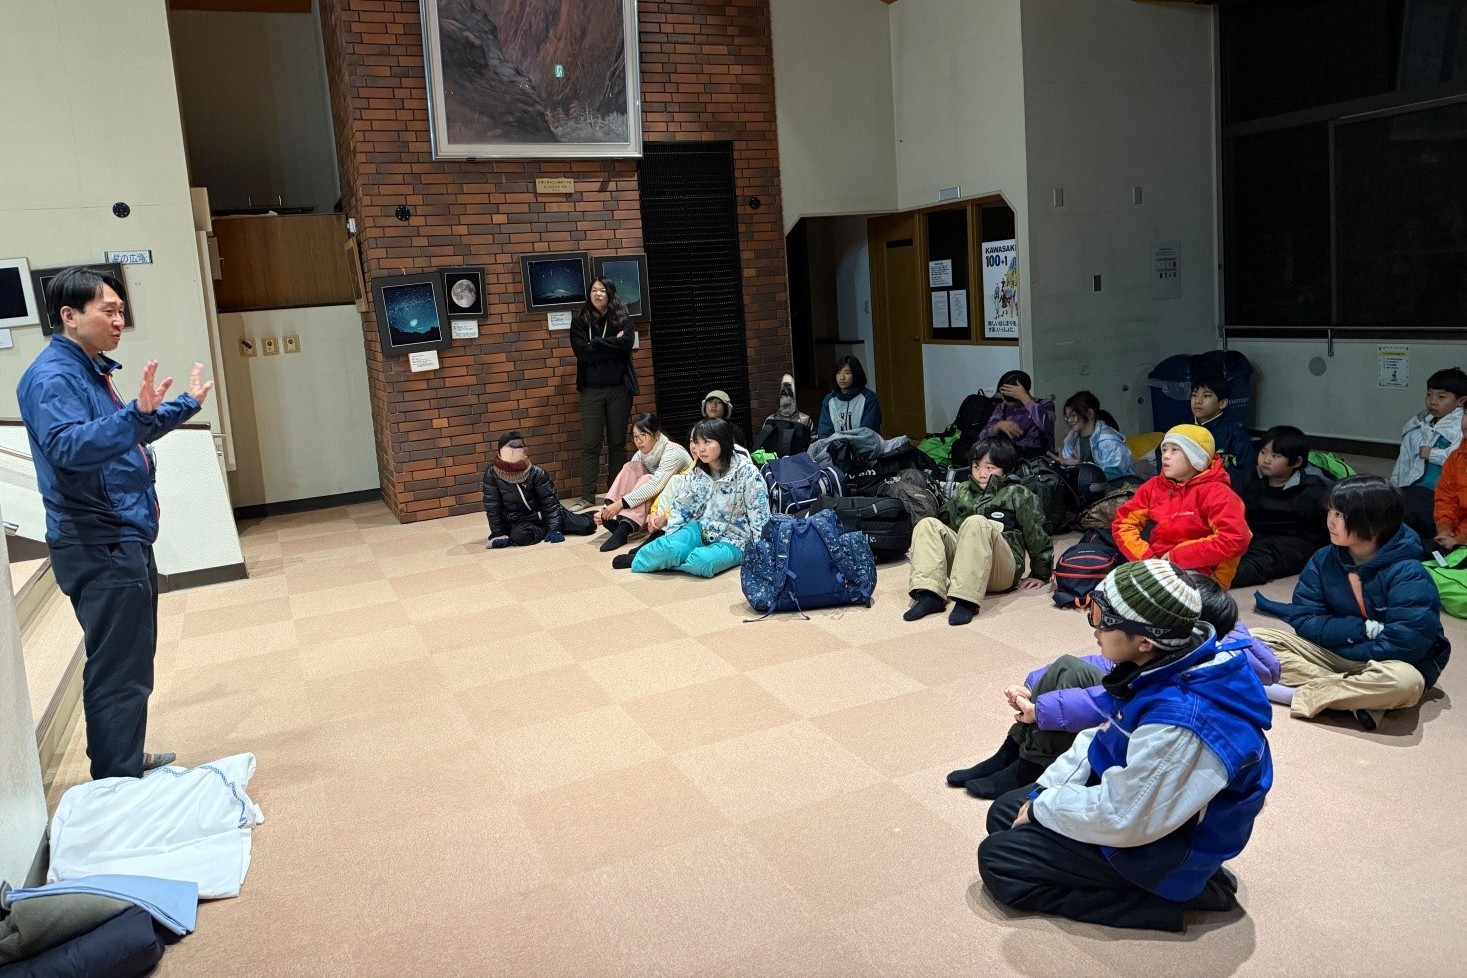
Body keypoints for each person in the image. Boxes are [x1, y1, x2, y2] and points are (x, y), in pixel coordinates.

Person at [977, 560, 1273, 932]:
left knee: (999, 861)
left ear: (1145, 639)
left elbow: (1125, 817)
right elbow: (1099, 738)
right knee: (1005, 814)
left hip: (1168, 846)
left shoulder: (1181, 722)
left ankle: (1170, 899)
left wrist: (1044, 808)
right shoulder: (1159, 661)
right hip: (1143, 804)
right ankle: (1148, 881)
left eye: (1103, 620)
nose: (1095, 629)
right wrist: (1044, 794)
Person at [17, 266, 214, 780]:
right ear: (69, 315)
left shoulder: (87, 369)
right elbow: (68, 447)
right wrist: (135, 416)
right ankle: (116, 778)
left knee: (130, 660)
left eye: (121, 311)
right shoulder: (52, 377)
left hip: (121, 533)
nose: (119, 320)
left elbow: (122, 432)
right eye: (108, 311)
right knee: (119, 666)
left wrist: (182, 407)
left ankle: (122, 759)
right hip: (99, 540)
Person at [948, 570, 1279, 799]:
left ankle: (1030, 764)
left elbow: (1105, 697)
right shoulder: (1164, 651)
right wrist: (1034, 686)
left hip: (1144, 757)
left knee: (1071, 680)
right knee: (1066, 665)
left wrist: (1042, 708)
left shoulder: (1201, 666)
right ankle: (1012, 752)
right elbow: (1106, 666)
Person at [1253, 475, 1450, 731]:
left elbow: (1405, 644)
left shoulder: (1409, 573)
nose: (1330, 521)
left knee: (1405, 684)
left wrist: (1349, 651)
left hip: (1386, 662)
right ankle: (1356, 696)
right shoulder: (1323, 559)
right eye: (1330, 511)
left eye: (1340, 514)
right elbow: (1304, 618)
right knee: (1252, 640)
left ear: (1373, 522)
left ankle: (1295, 694)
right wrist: (1360, 630)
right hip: (1332, 652)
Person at [904, 436, 1052, 626]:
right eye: (976, 467)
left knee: (976, 522)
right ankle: (930, 595)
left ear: (1005, 468)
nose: (982, 474)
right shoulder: (963, 491)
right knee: (927, 524)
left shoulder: (1018, 493)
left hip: (1001, 571)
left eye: (990, 468)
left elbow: (1036, 533)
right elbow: (946, 527)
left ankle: (966, 602)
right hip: (966, 567)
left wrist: (1041, 574)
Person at [1113, 424, 1251, 587]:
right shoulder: (1153, 487)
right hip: (1158, 565)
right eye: (1164, 449)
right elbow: (1123, 524)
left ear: (1197, 458)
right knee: (1113, 587)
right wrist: (1147, 558)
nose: (1166, 456)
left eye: (1175, 450)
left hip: (1204, 575)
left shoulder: (1219, 493)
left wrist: (1178, 557)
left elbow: (1236, 538)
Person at [631, 418, 770, 578]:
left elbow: (760, 517)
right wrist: (673, 538)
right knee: (667, 550)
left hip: (734, 539)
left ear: (723, 441)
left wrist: (759, 553)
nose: (700, 449)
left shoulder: (748, 473)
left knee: (702, 562)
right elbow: (681, 507)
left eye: (707, 442)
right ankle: (674, 557)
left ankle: (677, 561)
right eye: (697, 442)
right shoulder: (696, 472)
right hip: (699, 528)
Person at [1231, 425, 1333, 587]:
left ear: (1296, 462)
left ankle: (1212, 581)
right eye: (1263, 452)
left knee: (1256, 562)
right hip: (1256, 533)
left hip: (1296, 540)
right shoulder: (1249, 477)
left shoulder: (1314, 488)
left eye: (1275, 456)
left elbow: (1329, 526)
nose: (1266, 460)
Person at [569, 277, 636, 510]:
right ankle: (587, 496)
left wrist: (596, 344)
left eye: (602, 290)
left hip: (619, 390)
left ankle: (614, 494)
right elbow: (582, 353)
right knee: (591, 445)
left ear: (610, 293)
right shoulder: (580, 320)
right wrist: (608, 344)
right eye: (594, 290)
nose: (597, 294)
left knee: (617, 444)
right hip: (590, 391)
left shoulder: (622, 317)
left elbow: (627, 344)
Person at [593, 413, 693, 553]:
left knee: (647, 480)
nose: (638, 441)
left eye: (643, 435)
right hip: (657, 496)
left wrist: (619, 504)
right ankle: (616, 518)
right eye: (635, 437)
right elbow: (628, 482)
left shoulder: (673, 452)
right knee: (630, 467)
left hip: (677, 498)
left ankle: (624, 529)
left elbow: (655, 485)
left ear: (656, 435)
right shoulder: (641, 454)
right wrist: (607, 508)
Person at [1391, 366, 1467, 549]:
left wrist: (1432, 453)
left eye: (1441, 397)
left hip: (1431, 495)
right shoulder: (1417, 426)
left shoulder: (1459, 431)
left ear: (1461, 401)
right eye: (1429, 395)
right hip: (1418, 492)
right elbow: (1403, 464)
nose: (1433, 402)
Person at [483, 431, 595, 547]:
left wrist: (554, 529)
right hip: (521, 521)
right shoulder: (492, 475)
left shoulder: (537, 473)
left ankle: (591, 515)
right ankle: (547, 529)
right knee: (520, 537)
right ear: (499, 453)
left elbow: (550, 503)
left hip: (546, 514)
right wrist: (498, 534)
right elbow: (492, 507)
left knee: (587, 527)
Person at [978, 370, 1055, 460]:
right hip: (1012, 458)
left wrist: (1025, 399)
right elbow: (982, 437)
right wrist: (998, 426)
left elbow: (1047, 425)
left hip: (1040, 460)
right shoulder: (1002, 408)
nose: (1004, 400)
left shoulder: (1044, 404)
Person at [816, 355, 882, 438]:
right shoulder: (829, 400)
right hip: (835, 445)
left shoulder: (869, 398)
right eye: (838, 372)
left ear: (856, 374)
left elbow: (868, 432)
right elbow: (824, 433)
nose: (842, 377)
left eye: (847, 373)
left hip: (863, 444)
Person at [753, 373, 814, 457]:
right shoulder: (770, 421)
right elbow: (763, 447)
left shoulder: (805, 419)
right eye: (783, 394)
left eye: (790, 393)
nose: (787, 398)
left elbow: (814, 446)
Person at [1433, 405, 1467, 554]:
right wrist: (1444, 527)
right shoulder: (1457, 457)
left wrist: (1460, 540)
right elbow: (1445, 497)